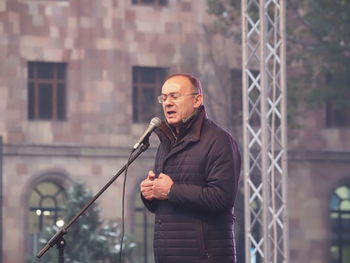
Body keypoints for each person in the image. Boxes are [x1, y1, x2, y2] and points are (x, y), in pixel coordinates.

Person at [140, 73, 241, 263]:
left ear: (197, 100)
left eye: (175, 96)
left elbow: (222, 199)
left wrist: (171, 190)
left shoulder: (219, 141)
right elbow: (165, 204)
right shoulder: (166, 144)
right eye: (164, 97)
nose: (167, 103)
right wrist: (150, 193)